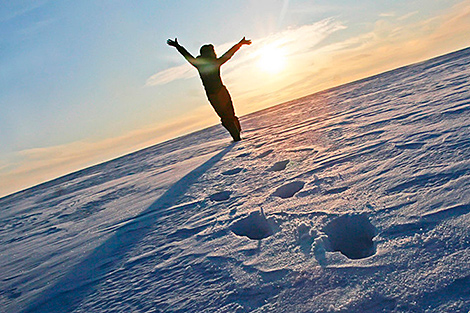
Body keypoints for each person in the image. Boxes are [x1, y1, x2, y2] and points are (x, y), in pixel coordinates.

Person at [167, 37, 251, 141]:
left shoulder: (200, 64)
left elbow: (187, 55)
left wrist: (177, 46)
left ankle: (236, 137)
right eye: (213, 51)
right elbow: (229, 54)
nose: (214, 53)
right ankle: (237, 136)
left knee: (226, 117)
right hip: (220, 92)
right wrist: (240, 43)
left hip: (213, 95)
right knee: (229, 116)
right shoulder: (214, 63)